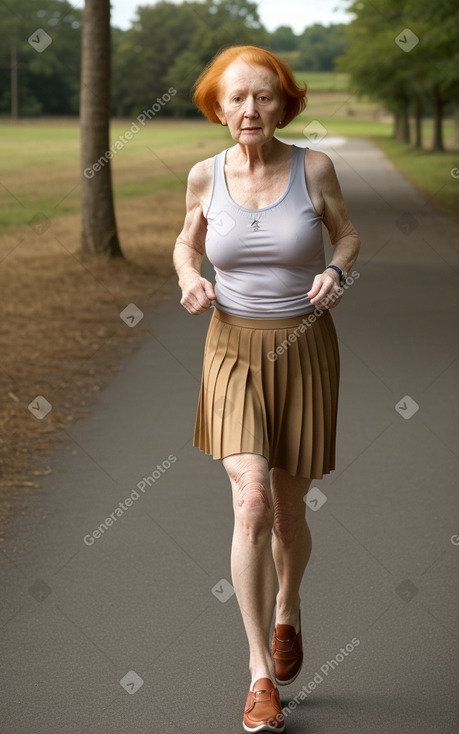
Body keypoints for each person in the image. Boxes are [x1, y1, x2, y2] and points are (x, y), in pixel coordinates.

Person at [173, 45, 360, 733]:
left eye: (265, 97)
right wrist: (188, 276)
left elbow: (346, 237)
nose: (250, 109)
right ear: (217, 108)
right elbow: (184, 244)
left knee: (286, 513)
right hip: (229, 350)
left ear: (284, 103)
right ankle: (258, 675)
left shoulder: (314, 168)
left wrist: (336, 273)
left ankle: (288, 606)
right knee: (248, 503)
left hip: (303, 348)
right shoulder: (202, 176)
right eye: (237, 98)